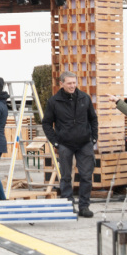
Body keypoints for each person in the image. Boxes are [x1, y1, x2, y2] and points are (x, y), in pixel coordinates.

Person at [41, 71, 98, 218]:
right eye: (69, 83)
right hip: (65, 144)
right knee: (66, 176)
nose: (72, 86)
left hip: (85, 143)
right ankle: (67, 204)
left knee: (86, 176)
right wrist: (55, 142)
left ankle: (84, 206)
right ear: (61, 84)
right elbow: (47, 123)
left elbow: (93, 119)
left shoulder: (84, 98)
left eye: (74, 83)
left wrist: (93, 139)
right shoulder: (54, 101)